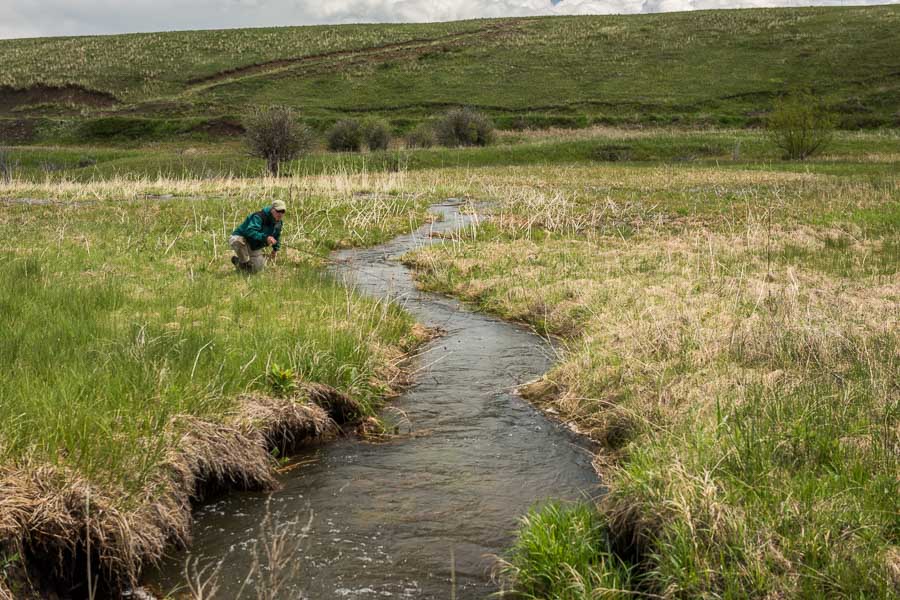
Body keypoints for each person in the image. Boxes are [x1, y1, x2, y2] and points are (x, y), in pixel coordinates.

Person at [230, 200, 286, 273]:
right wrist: (266, 238)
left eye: (283, 211)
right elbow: (250, 231)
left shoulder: (279, 223)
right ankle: (244, 261)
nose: (280, 214)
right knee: (237, 241)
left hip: (254, 245)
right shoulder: (259, 217)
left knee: (256, 269)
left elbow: (277, 236)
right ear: (272, 209)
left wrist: (275, 249)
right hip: (241, 238)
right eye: (278, 211)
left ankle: (238, 262)